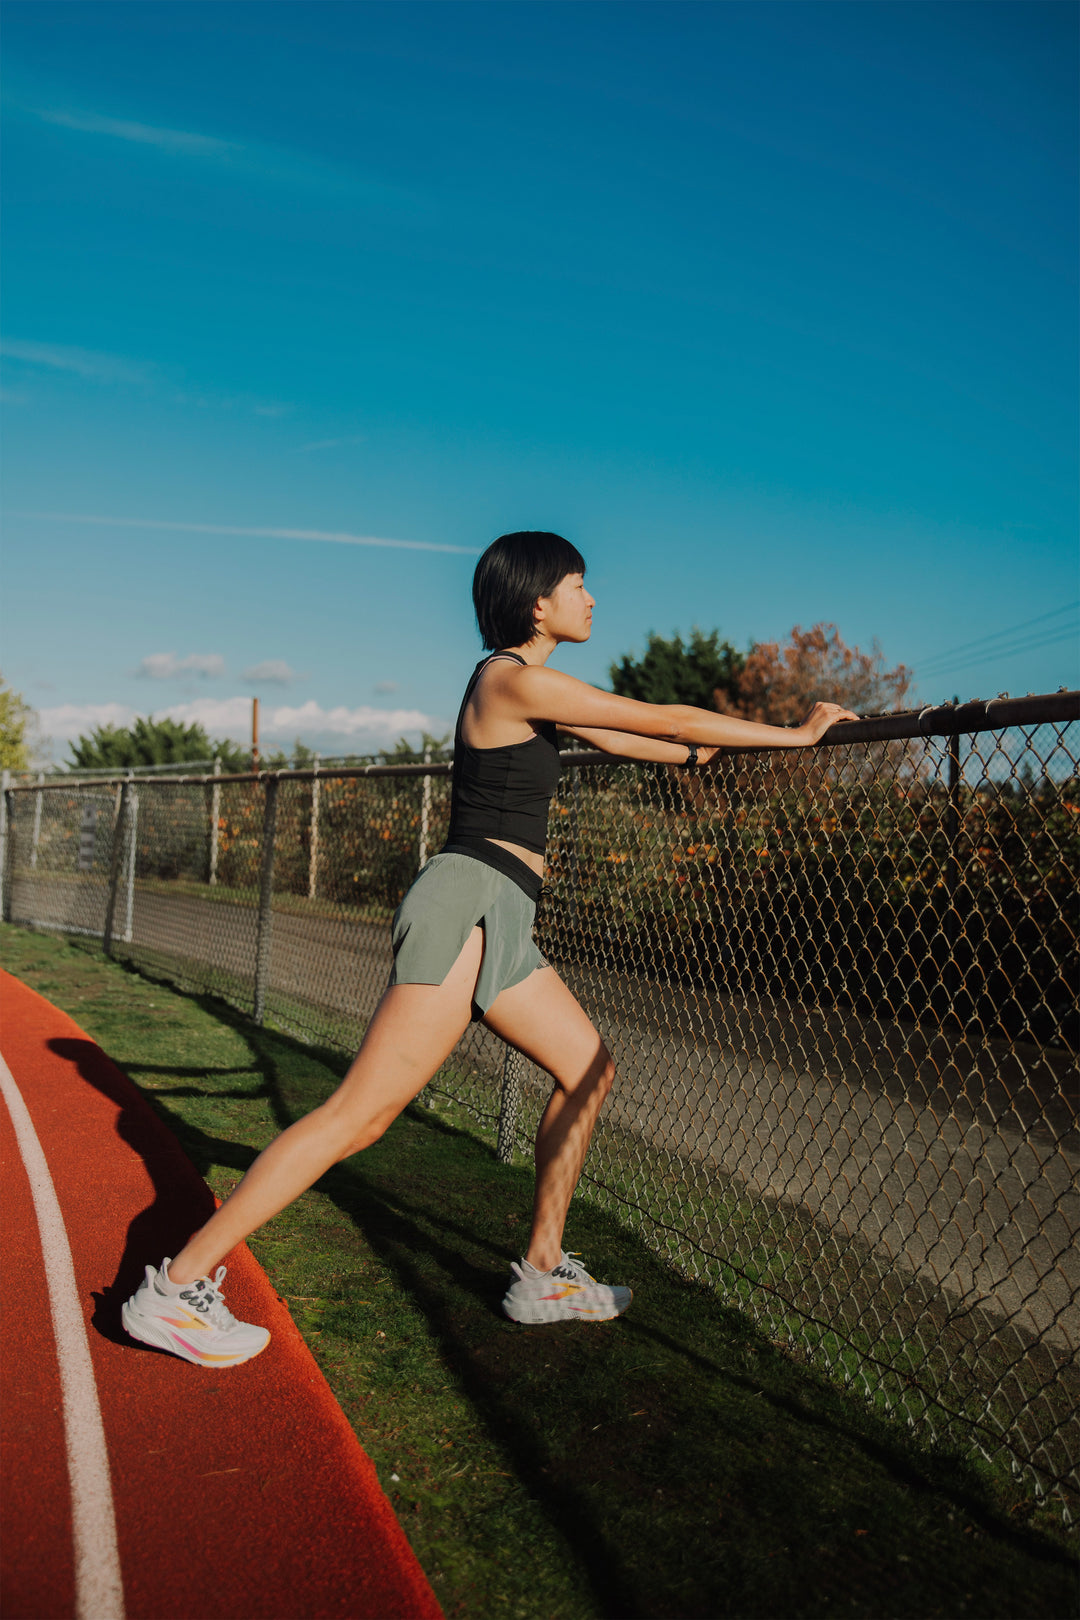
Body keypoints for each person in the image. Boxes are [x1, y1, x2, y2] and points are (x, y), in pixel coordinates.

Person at [122, 531, 856, 1365]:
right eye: (581, 584)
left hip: (503, 913)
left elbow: (641, 740)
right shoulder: (511, 679)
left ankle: (542, 1272)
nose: (592, 599)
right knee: (359, 1117)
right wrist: (798, 735)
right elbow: (657, 717)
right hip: (467, 904)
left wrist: (704, 748)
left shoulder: (530, 693)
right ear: (537, 600)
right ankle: (174, 1289)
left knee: (588, 1070)